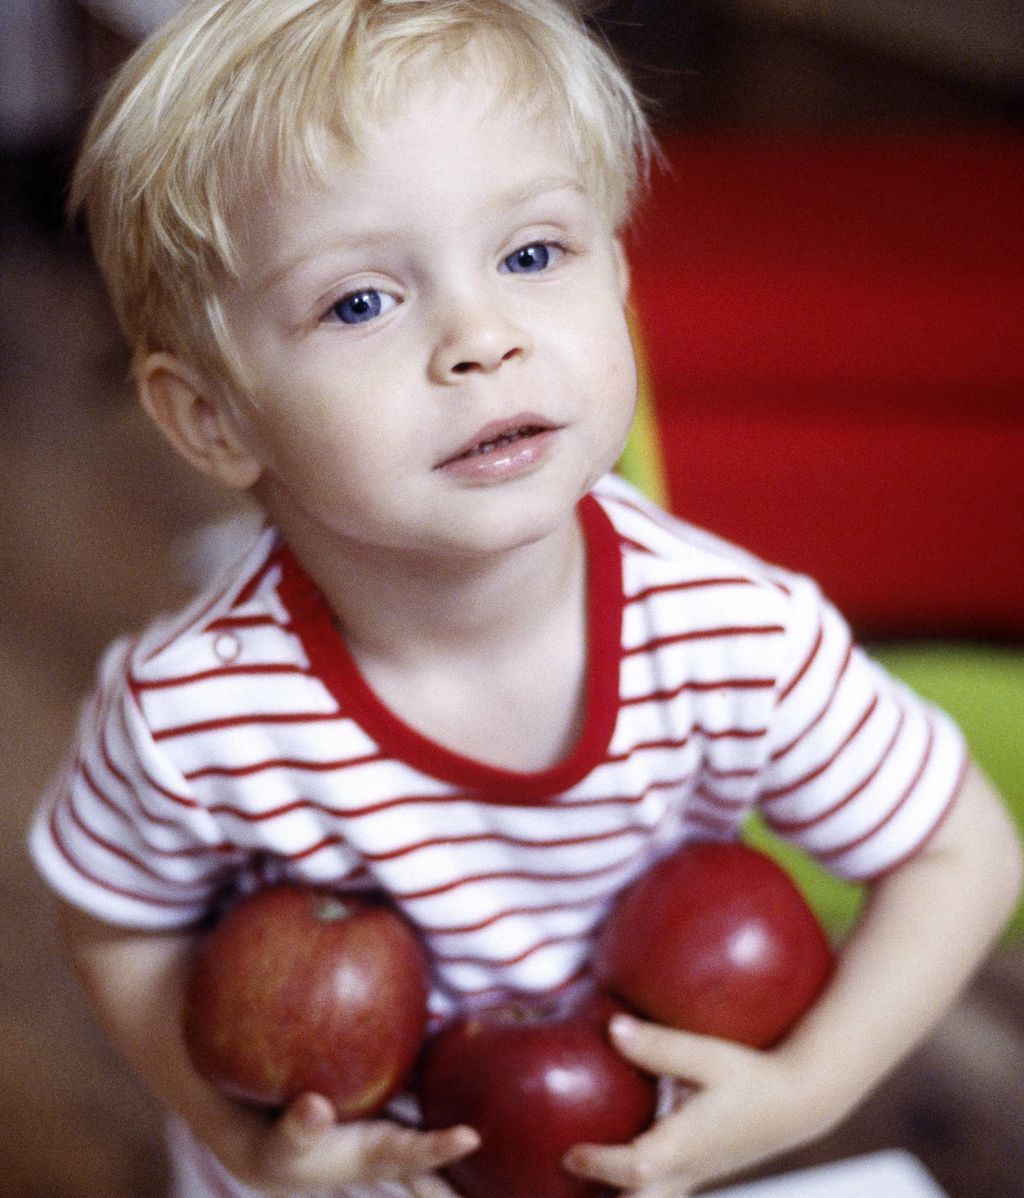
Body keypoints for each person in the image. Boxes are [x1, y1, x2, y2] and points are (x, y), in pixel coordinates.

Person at [29, 2, 1022, 1196]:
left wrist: (806, 1091)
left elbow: (958, 848)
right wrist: (242, 1141)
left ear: (617, 270)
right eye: (359, 301)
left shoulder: (732, 633)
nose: (479, 336)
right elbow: (116, 922)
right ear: (213, 417)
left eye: (532, 254)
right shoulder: (188, 709)